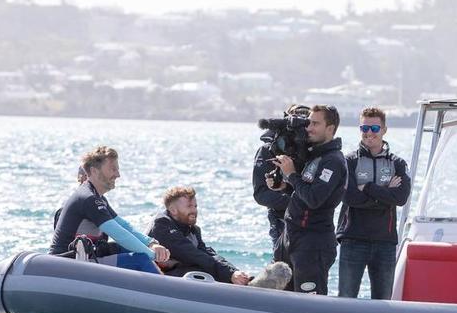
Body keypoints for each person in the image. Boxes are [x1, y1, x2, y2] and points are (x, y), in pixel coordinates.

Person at [50, 145, 169, 273]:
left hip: (86, 258)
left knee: (131, 250)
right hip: (66, 264)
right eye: (113, 169)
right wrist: (152, 255)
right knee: (140, 259)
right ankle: (167, 290)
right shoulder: (88, 198)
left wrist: (150, 243)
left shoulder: (98, 198)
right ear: (94, 171)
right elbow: (119, 234)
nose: (118, 174)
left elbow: (124, 226)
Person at [271, 104, 347, 295]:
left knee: (308, 304)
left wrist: (291, 175)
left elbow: (314, 199)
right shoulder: (315, 156)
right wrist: (284, 185)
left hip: (313, 244)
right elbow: (305, 191)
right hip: (291, 237)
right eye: (308, 123)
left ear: (330, 129)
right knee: (280, 298)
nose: (309, 128)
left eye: (315, 123)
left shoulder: (333, 161)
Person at [336, 107, 411, 299]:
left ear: (384, 129)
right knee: (346, 300)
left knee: (383, 302)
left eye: (375, 128)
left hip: (384, 243)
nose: (369, 133)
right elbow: (350, 198)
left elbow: (400, 198)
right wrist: (386, 195)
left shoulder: (398, 164)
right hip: (353, 239)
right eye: (364, 128)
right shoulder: (348, 161)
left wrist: (368, 187)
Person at [148, 186, 251, 285]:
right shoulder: (162, 224)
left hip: (177, 273)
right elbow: (192, 255)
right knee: (200, 271)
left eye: (195, 206)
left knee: (210, 268)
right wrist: (229, 274)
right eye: (189, 206)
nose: (194, 211)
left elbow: (207, 253)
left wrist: (233, 272)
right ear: (173, 210)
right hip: (156, 278)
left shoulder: (193, 230)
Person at [253, 104, 310, 263]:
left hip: (312, 221)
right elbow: (261, 193)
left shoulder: (316, 150)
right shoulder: (269, 149)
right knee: (282, 268)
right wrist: (295, 202)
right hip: (281, 220)